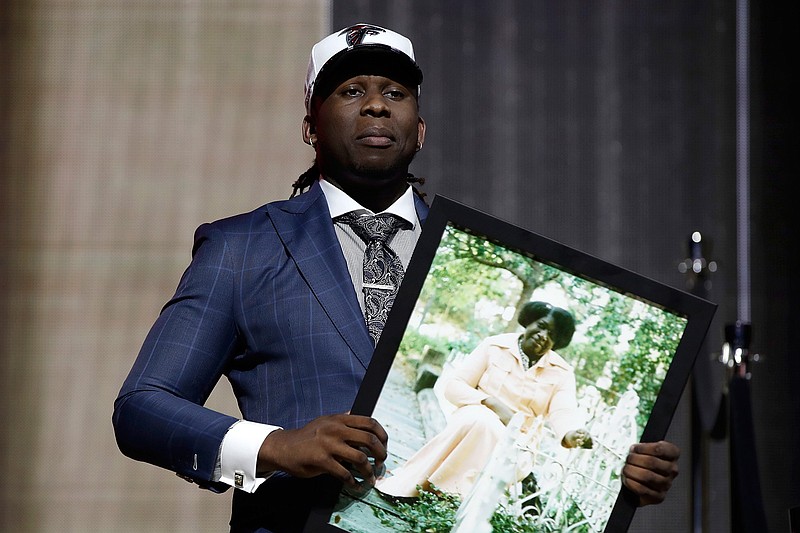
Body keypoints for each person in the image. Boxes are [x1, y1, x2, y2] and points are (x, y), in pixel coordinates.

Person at [113, 23, 680, 533]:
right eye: (351, 91)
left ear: (421, 128)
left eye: (395, 93)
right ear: (310, 126)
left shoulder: (459, 248)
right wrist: (280, 446)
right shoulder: (244, 247)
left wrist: (622, 480)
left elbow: (549, 427)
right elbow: (141, 408)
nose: (377, 106)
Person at [376, 301, 592, 499]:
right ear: (529, 322)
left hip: (519, 440)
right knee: (482, 422)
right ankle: (441, 496)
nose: (543, 335)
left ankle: (440, 495)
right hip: (473, 417)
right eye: (541, 325)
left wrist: (569, 433)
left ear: (556, 342)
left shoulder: (561, 372)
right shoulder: (495, 346)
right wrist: (491, 403)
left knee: (487, 430)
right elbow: (454, 386)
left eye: (552, 335)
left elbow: (562, 411)